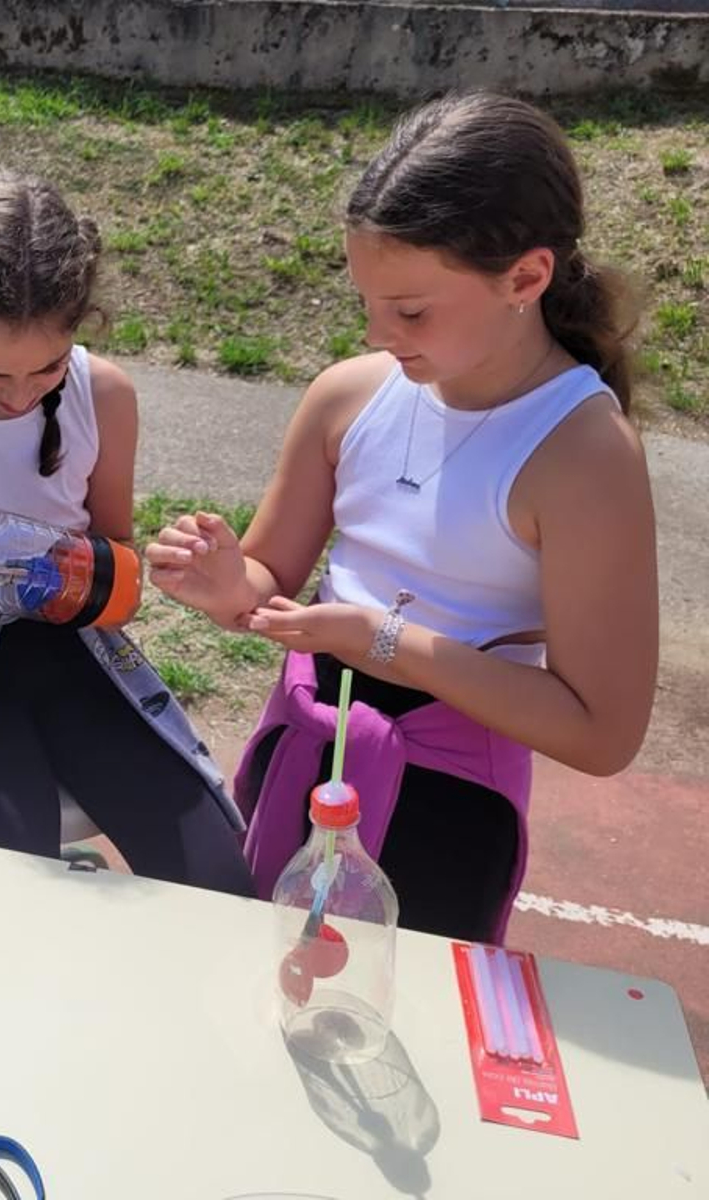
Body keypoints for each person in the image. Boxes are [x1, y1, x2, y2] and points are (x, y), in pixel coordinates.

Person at [148, 93, 657, 942]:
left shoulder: (584, 452)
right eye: (368, 303)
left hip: (448, 803)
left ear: (526, 279)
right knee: (256, 985)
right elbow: (266, 586)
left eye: (411, 311)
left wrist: (382, 641)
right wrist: (226, 581)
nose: (381, 334)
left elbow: (602, 733)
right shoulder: (350, 396)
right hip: (302, 752)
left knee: (401, 1039)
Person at [0, 170, 253, 893]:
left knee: (219, 880)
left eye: (47, 368)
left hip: (75, 644)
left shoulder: (104, 394)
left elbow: (115, 563)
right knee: (1, 890)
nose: (20, 393)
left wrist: (134, 573)